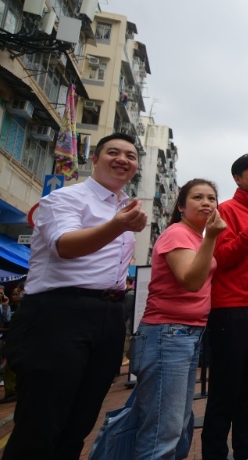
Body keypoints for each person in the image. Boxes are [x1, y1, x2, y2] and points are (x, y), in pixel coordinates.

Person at [3, 133, 147, 459]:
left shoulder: (125, 207)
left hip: (109, 316)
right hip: (58, 315)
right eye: (113, 152)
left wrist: (121, 223)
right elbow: (65, 245)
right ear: (94, 159)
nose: (122, 159)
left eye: (130, 155)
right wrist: (118, 226)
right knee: (40, 425)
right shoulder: (65, 199)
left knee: (78, 424)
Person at [131, 179, 226, 458]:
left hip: (187, 334)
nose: (207, 203)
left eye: (211, 198)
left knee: (178, 423)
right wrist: (211, 238)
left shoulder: (196, 236)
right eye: (198, 197)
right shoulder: (178, 233)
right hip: (167, 333)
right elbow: (191, 281)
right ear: (182, 206)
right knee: (164, 428)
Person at [202, 153, 248, 460]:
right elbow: (222, 258)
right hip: (231, 310)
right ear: (238, 178)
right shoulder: (223, 211)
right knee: (224, 392)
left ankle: (243, 453)